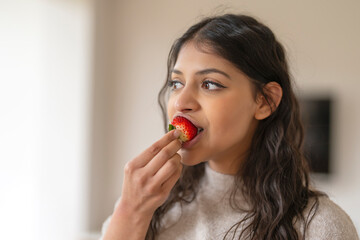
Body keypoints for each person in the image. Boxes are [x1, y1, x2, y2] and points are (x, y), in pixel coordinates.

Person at [100, 14, 359, 240]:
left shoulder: (321, 226)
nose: (181, 101)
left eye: (210, 83)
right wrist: (130, 211)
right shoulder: (147, 209)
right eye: (176, 83)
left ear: (265, 101)